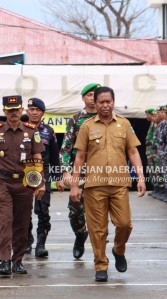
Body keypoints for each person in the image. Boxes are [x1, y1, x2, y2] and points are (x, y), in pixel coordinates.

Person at [70, 86, 146, 282]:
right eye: (101, 102)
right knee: (98, 229)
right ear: (95, 103)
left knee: (124, 224)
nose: (105, 105)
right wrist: (75, 185)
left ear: (113, 101)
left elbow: (133, 152)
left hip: (119, 183)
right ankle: (100, 265)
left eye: (108, 101)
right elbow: (79, 156)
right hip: (94, 185)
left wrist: (141, 177)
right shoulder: (86, 126)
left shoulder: (124, 124)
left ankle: (118, 250)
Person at [0, 95, 45, 276]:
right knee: (4, 221)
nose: (13, 113)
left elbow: (37, 158)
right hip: (2, 182)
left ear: (22, 110)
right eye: (10, 110)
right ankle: (4, 260)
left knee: (22, 222)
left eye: (16, 110)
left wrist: (40, 182)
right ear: (4, 111)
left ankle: (17, 260)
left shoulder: (31, 131)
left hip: (25, 182)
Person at [59, 83, 101, 259]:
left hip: (101, 174)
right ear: (83, 97)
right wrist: (66, 172)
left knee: (99, 212)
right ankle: (80, 234)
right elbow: (66, 148)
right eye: (89, 95)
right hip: (80, 173)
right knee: (75, 211)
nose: (92, 98)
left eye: (95, 95)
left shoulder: (107, 117)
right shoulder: (76, 119)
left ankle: (100, 250)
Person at [25, 97, 64, 257]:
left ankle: (41, 244)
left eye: (37, 110)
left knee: (43, 210)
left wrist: (58, 178)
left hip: (45, 172)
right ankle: (27, 241)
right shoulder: (20, 127)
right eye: (31, 110)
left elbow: (54, 156)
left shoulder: (49, 131)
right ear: (27, 111)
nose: (34, 112)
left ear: (42, 112)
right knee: (24, 210)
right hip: (24, 171)